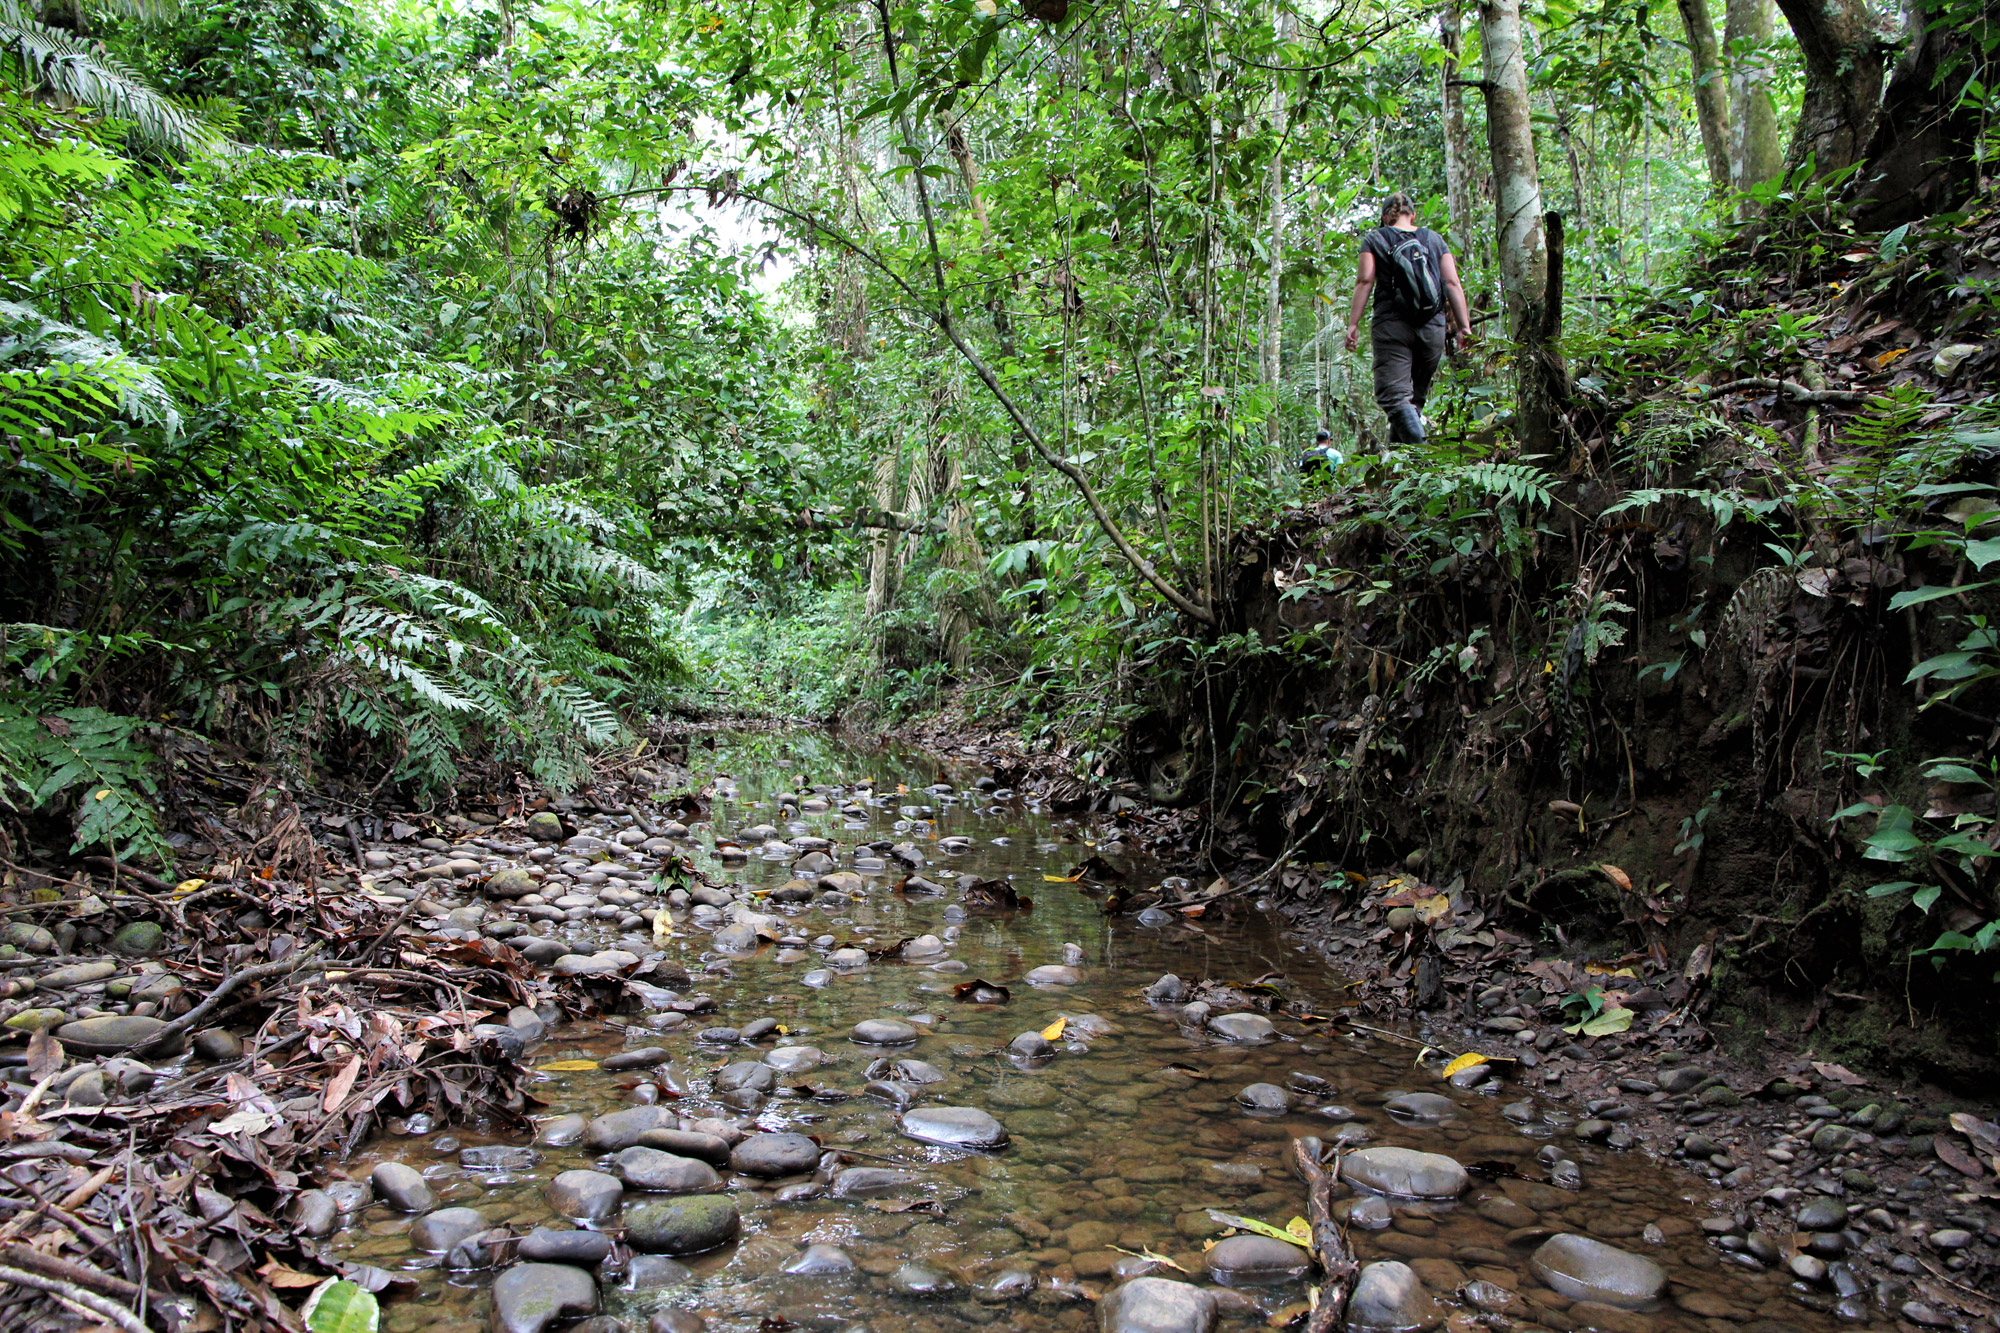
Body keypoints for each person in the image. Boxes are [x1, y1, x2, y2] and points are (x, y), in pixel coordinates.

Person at [1342, 193, 1473, 445]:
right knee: (1413, 402)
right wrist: (1463, 327)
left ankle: (1427, 464)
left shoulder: (1375, 239)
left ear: (1384, 217)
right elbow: (1452, 282)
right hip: (1432, 328)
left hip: (1392, 326)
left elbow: (1365, 280)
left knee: (1395, 398)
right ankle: (1402, 477)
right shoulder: (1434, 240)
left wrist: (1353, 323)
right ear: (1413, 215)